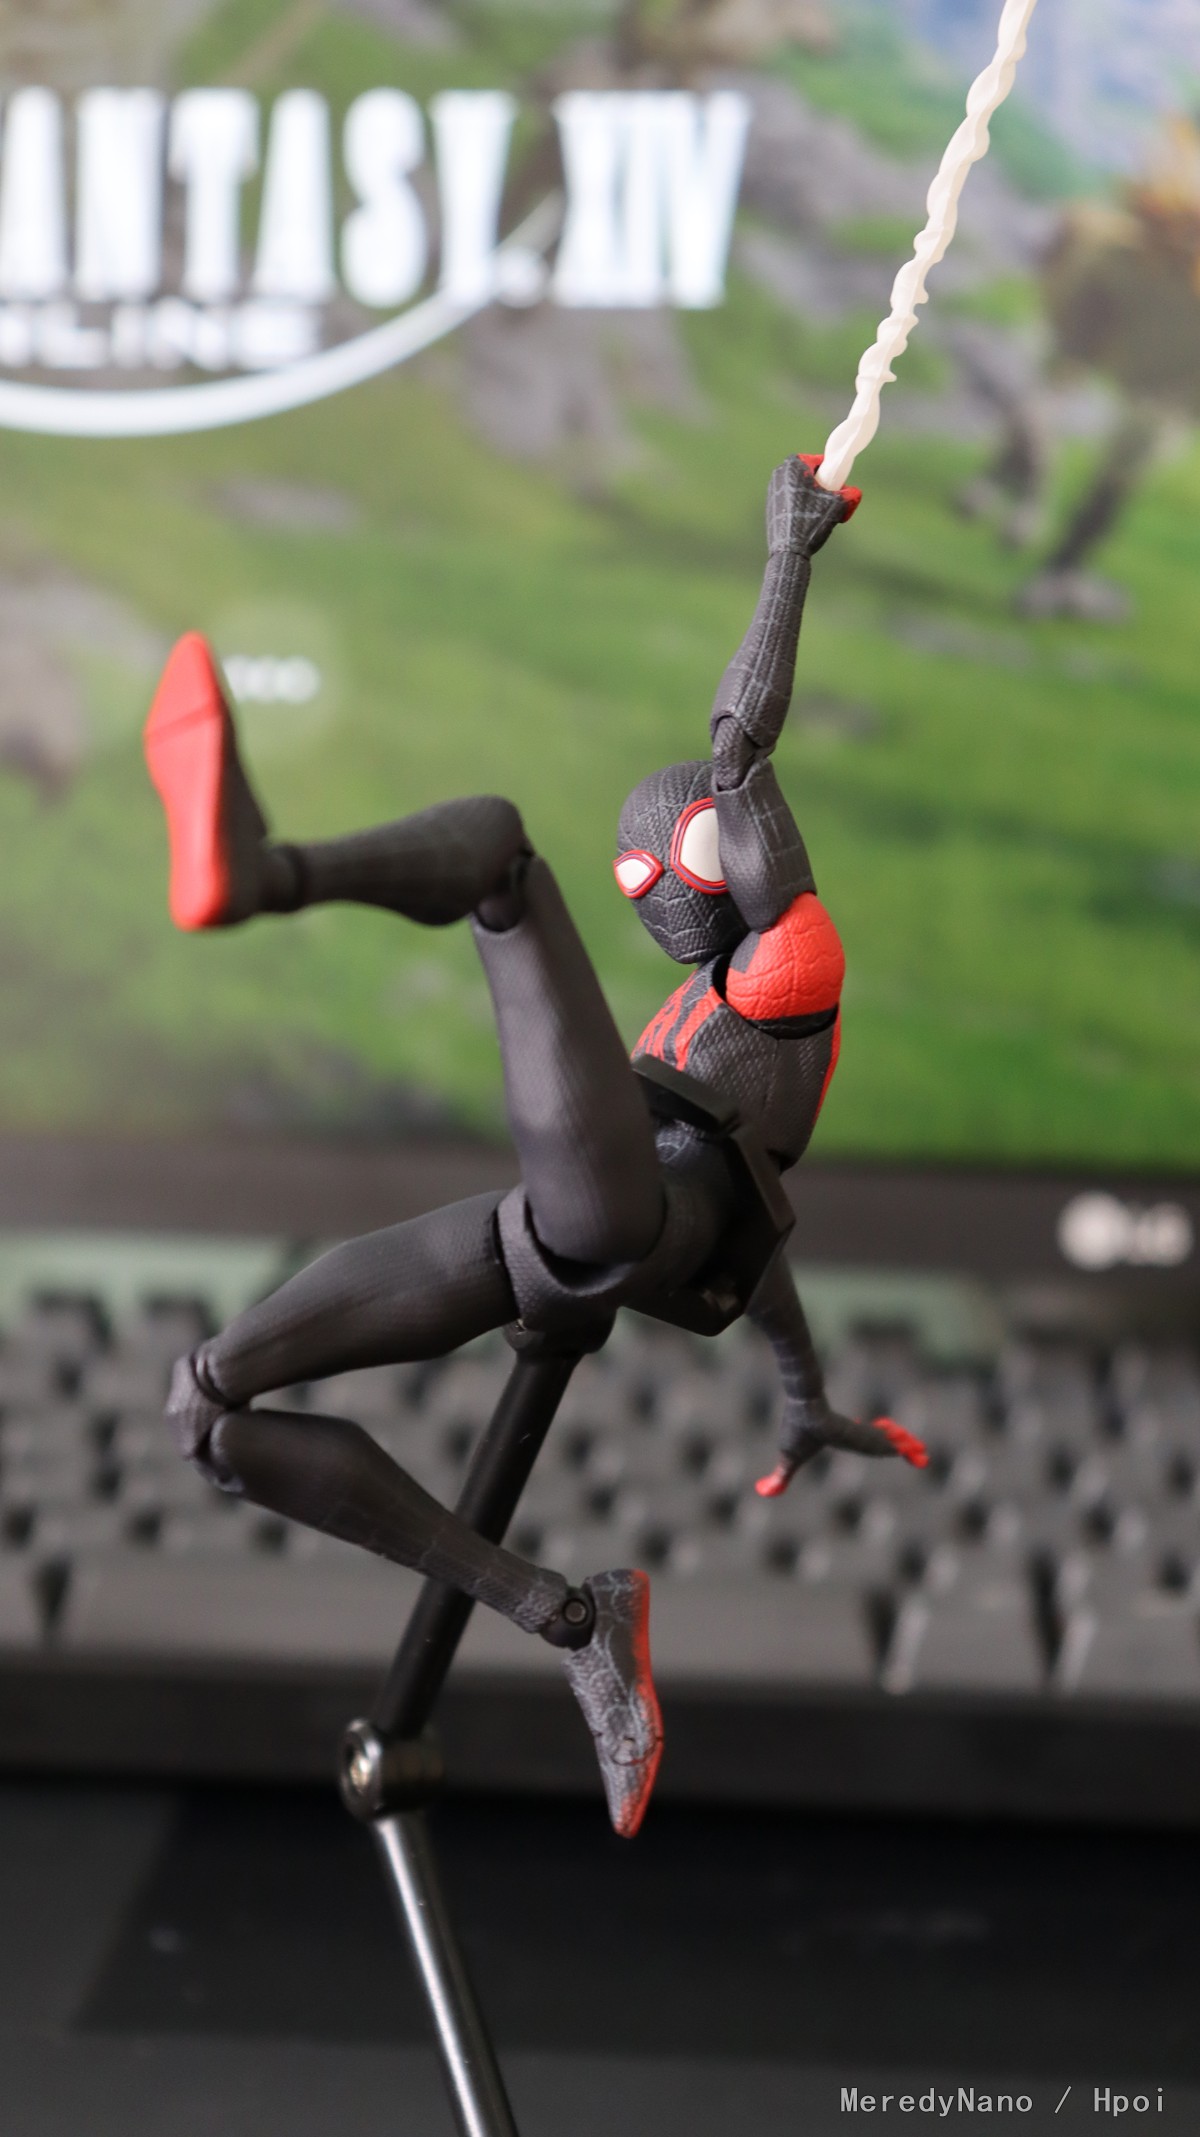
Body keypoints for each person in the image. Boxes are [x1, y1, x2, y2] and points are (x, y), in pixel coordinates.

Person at [144, 453, 924, 1839]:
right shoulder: (706, 1003)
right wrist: (803, 1392)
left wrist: (789, 554)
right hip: (561, 1231)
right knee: (210, 1410)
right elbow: (765, 1247)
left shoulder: (791, 964)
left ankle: (270, 875)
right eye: (641, 881)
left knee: (502, 862)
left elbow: (742, 749)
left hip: (624, 1215)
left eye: (669, 865)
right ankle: (570, 1617)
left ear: (724, 863)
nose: (653, 898)